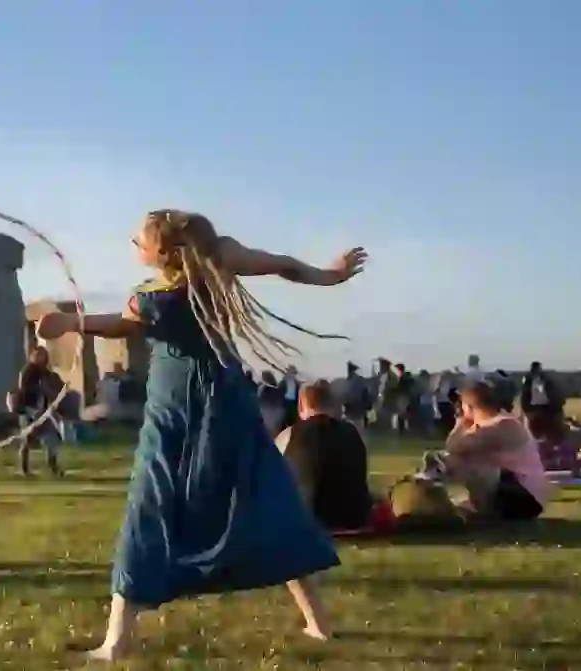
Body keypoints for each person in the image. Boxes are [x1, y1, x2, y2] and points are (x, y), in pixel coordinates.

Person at [36, 209, 364, 660]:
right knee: (261, 499)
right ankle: (316, 623)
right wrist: (72, 323)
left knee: (161, 505)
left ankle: (118, 644)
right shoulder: (208, 264)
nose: (133, 245)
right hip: (201, 405)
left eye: (139, 240)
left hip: (198, 409)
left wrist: (330, 276)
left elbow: (278, 264)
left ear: (163, 250)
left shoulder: (202, 267)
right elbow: (281, 264)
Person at [418, 381, 552, 520]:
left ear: (468, 407)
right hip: (515, 493)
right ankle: (436, 488)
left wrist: (460, 420)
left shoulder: (502, 424)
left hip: (524, 498)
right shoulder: (494, 423)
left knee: (466, 462)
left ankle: (431, 481)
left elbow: (453, 447)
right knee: (465, 461)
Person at [276, 381, 374, 532]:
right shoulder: (352, 433)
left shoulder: (289, 435)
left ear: (301, 405)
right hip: (353, 518)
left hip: (305, 519)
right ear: (332, 405)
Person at [11, 347, 66, 477]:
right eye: (40, 355)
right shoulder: (27, 372)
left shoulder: (46, 372)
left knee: (52, 437)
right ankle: (24, 469)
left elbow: (54, 387)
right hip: (28, 410)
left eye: (44, 356)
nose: (43, 358)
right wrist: (32, 409)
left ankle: (53, 466)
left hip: (43, 412)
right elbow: (24, 390)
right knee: (27, 440)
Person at [520, 361, 565, 441]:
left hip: (535, 410)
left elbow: (525, 394)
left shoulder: (528, 378)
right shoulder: (548, 377)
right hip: (551, 410)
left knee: (535, 435)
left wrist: (526, 409)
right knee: (553, 435)